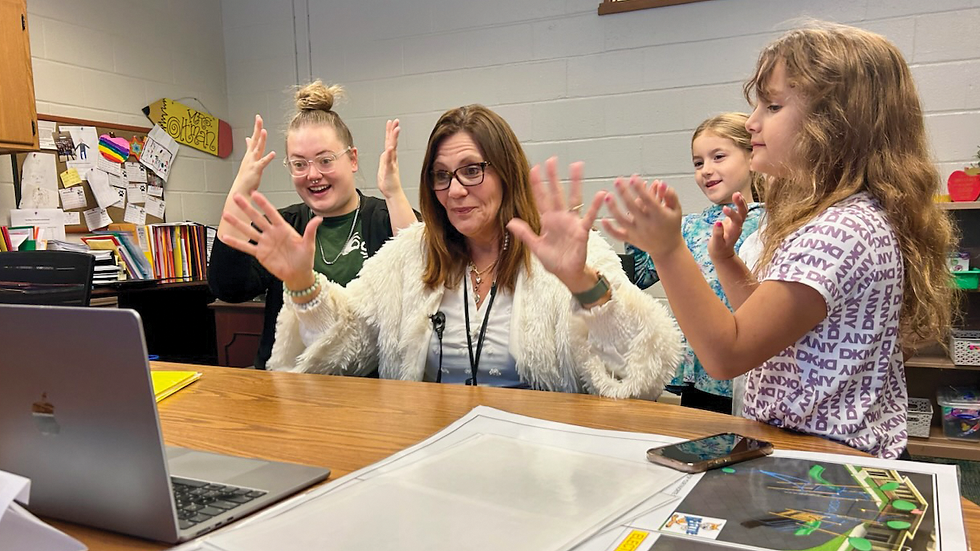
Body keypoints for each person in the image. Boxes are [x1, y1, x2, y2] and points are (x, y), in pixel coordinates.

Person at [602, 22, 956, 458]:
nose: (751, 123)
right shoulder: (848, 217)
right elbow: (769, 324)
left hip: (823, 462)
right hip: (815, 449)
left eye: (771, 106)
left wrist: (668, 248)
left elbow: (728, 354)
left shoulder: (837, 232)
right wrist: (727, 260)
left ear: (837, 123)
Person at [220, 104, 681, 398]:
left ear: (506, 174)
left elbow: (640, 376)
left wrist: (584, 285)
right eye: (441, 175)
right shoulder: (410, 256)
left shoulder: (562, 251)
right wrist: (303, 285)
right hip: (428, 452)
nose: (455, 190)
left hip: (541, 456)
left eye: (472, 171)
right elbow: (345, 349)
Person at [208, 81, 417, 370]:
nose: (313, 174)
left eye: (325, 160)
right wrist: (239, 190)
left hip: (370, 392)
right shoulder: (282, 226)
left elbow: (423, 280)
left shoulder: (383, 218)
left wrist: (394, 193)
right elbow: (228, 287)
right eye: (299, 164)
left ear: (352, 159)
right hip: (289, 388)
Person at [626, 112, 764, 414]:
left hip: (744, 377)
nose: (707, 170)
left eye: (718, 157)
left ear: (752, 156)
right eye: (698, 163)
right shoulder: (687, 226)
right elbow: (639, 277)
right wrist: (640, 234)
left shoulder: (771, 222)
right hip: (696, 378)